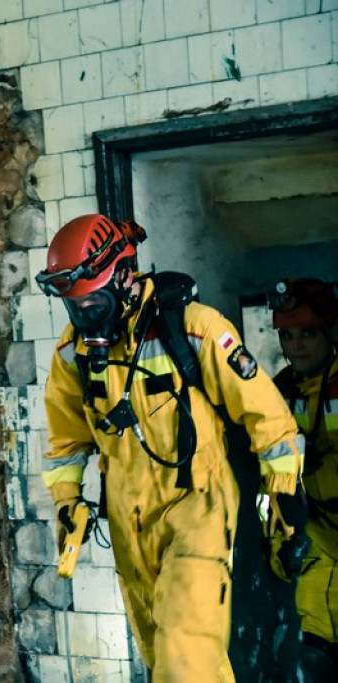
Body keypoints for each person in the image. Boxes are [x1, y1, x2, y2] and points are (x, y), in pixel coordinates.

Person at [35, 214, 306, 682]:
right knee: (168, 654)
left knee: (184, 659)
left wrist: (285, 500)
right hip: (128, 525)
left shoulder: (193, 327)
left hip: (198, 508)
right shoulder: (72, 354)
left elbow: (267, 417)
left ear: (124, 275)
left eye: (94, 303)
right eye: (75, 307)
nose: (85, 318)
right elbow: (66, 441)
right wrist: (67, 501)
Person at [270, 278, 338, 678]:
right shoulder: (277, 392)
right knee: (315, 649)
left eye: (308, 333)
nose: (296, 345)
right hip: (311, 535)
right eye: (287, 335)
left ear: (330, 331)